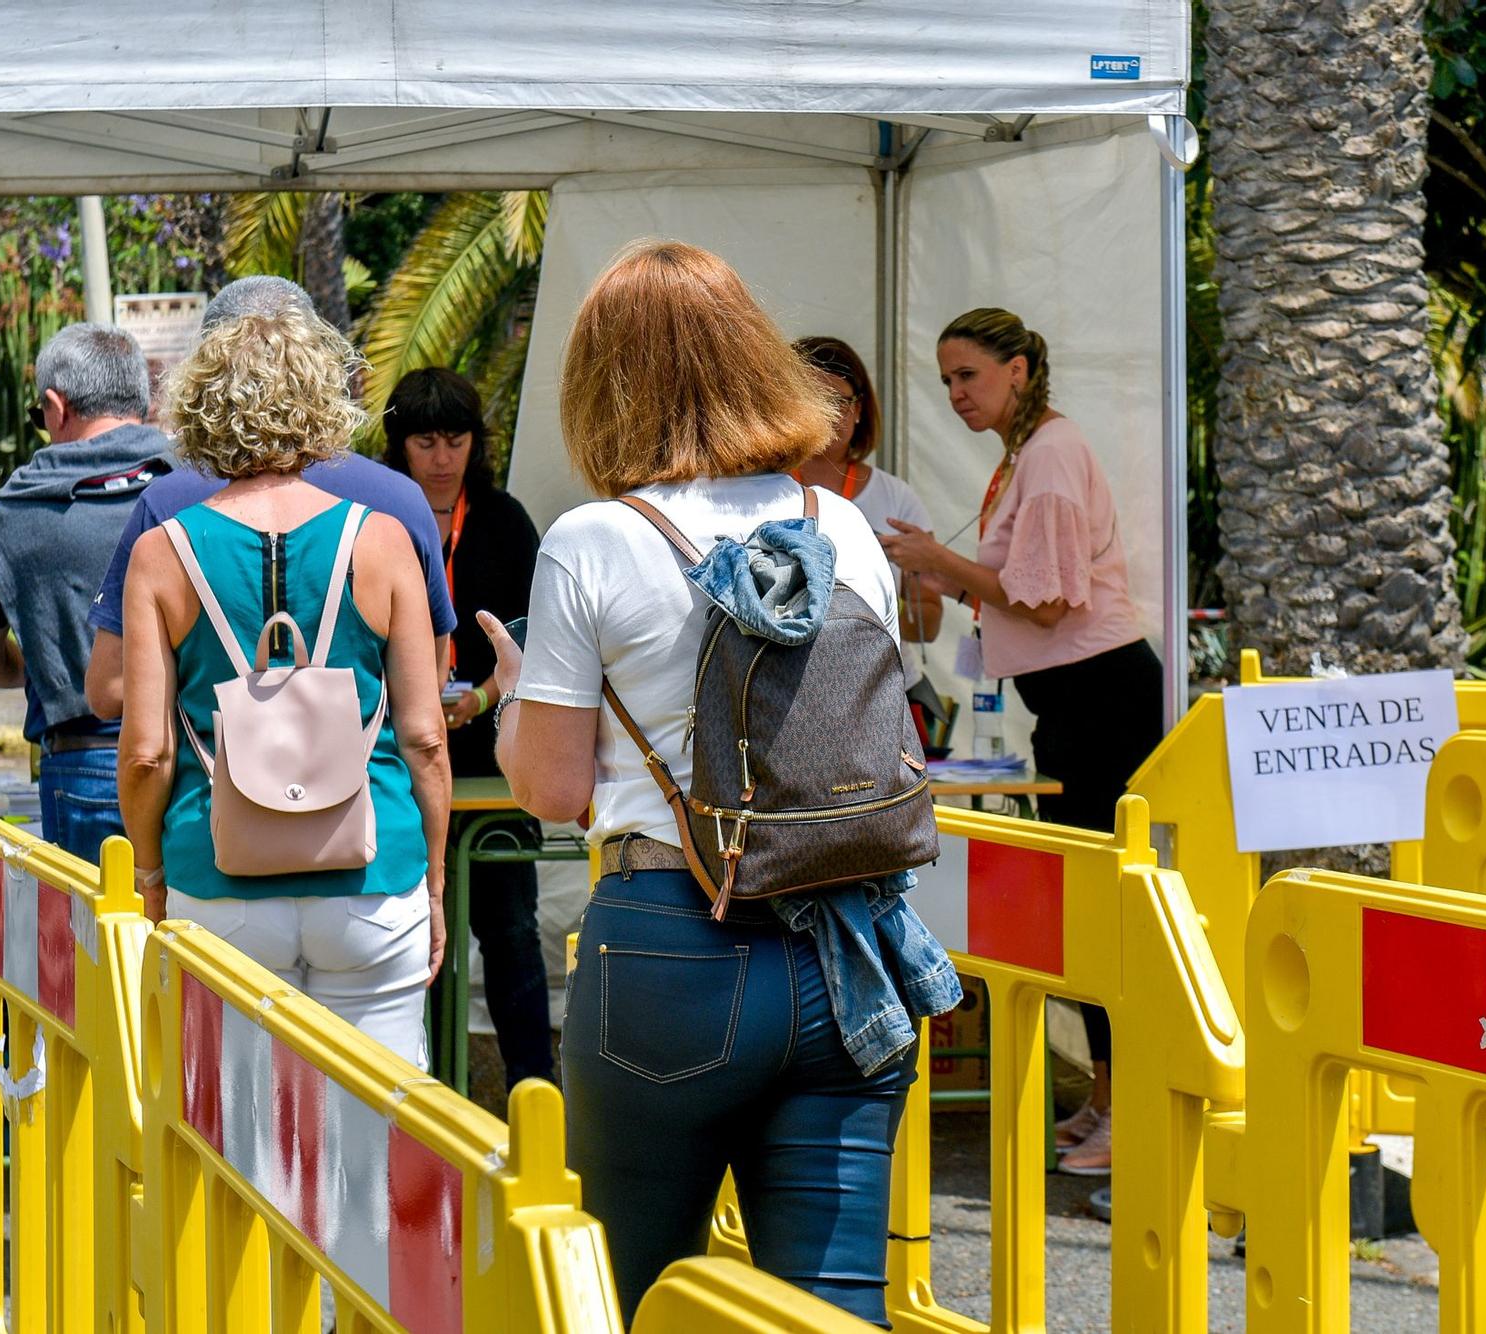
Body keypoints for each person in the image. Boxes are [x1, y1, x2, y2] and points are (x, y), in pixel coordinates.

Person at [483, 240, 957, 1325]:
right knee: (829, 1307)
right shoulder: (839, 523)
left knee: (633, 1291)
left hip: (668, 939)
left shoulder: (593, 538)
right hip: (851, 942)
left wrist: (517, 694)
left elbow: (552, 788)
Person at [116, 302, 449, 1066]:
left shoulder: (161, 554)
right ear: (322, 405)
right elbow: (425, 736)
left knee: (235, 1139)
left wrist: (149, 874)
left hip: (217, 875)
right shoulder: (383, 538)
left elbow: (145, 752)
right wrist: (431, 883)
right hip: (374, 869)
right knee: (381, 1130)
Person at [880, 307, 1163, 1178]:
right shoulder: (1025, 456)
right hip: (1074, 699)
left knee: (1113, 907)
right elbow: (1022, 597)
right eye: (946, 382)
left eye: (967, 375)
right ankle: (1110, 1099)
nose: (957, 395)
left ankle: (1138, 1114)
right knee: (1090, 904)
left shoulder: (1045, 457)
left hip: (1102, 697)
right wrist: (953, 578)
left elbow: (1043, 603)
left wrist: (936, 561)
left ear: (1018, 368)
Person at [83, 276, 457, 719]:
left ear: (205, 375)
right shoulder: (399, 502)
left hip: (212, 780)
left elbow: (109, 691)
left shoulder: (166, 506)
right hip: (362, 784)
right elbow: (428, 684)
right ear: (317, 364)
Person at [381, 366, 552, 1088]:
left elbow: (540, 634)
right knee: (407, 938)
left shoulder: (505, 520)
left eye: (456, 440)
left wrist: (480, 698)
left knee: (510, 933)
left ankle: (534, 1091)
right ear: (401, 445)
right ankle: (420, 1093)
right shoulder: (379, 521)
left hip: (495, 754)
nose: (443, 457)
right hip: (397, 757)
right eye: (426, 441)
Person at [0, 324, 175, 861]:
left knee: (95, 945)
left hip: (85, 767)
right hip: (197, 751)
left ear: (56, 407)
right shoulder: (195, 484)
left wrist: (47, 662)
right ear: (143, 399)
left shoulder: (19, 509)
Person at [790, 337, 943, 686]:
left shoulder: (896, 498)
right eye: (810, 400)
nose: (825, 413)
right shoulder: (763, 488)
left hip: (883, 689)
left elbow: (930, 623)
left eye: (837, 402)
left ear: (859, 410)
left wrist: (867, 619)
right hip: (793, 687)